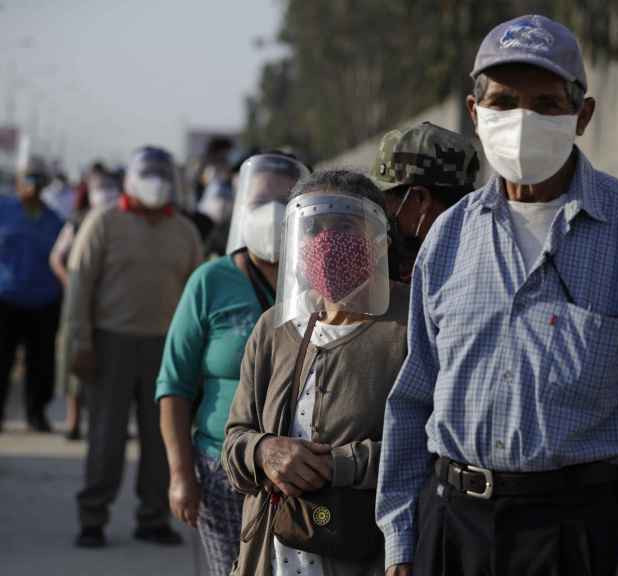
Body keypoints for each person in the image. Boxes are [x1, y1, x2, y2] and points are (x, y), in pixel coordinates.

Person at [375, 14, 618, 576]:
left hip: (581, 530)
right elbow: (412, 401)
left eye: (547, 104)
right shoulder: (448, 238)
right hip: (455, 528)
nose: (522, 122)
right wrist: (402, 544)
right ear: (475, 114)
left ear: (583, 115)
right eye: (502, 102)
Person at [222, 169, 409, 575]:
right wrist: (264, 452)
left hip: (365, 555)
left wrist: (339, 465)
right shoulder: (275, 328)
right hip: (272, 556)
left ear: (379, 242)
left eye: (341, 226)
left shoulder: (410, 325)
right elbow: (234, 440)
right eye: (312, 228)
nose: (323, 241)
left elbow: (428, 449)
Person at [155, 154, 308, 576]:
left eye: (286, 197)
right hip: (222, 473)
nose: (274, 208)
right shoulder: (210, 281)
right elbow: (174, 385)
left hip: (301, 474)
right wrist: (181, 474)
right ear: (242, 207)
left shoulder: (318, 283)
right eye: (262, 198)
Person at [68, 146, 204, 548]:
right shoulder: (104, 222)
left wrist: (194, 354)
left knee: (162, 440)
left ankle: (153, 516)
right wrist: (81, 342)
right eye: (150, 172)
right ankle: (93, 517)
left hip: (165, 349)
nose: (157, 180)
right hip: (110, 344)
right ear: (131, 178)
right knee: (106, 438)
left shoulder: (184, 230)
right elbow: (80, 287)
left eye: (164, 173)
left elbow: (196, 294)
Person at [50, 163, 121, 440]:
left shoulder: (120, 221)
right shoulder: (77, 220)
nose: (105, 193)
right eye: (99, 187)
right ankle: (73, 420)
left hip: (108, 307)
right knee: (75, 362)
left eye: (109, 187)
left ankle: (99, 424)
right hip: (80, 305)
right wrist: (74, 284)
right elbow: (57, 258)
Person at [367, 122, 481, 283]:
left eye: (385, 204)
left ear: (421, 199)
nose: (383, 216)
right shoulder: (479, 246)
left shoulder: (461, 275)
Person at [0, 156, 63, 433]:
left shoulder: (56, 221)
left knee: (41, 365)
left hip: (43, 302)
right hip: (6, 299)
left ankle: (36, 413)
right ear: (17, 181)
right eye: (28, 178)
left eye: (38, 179)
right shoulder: (3, 210)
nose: (32, 185)